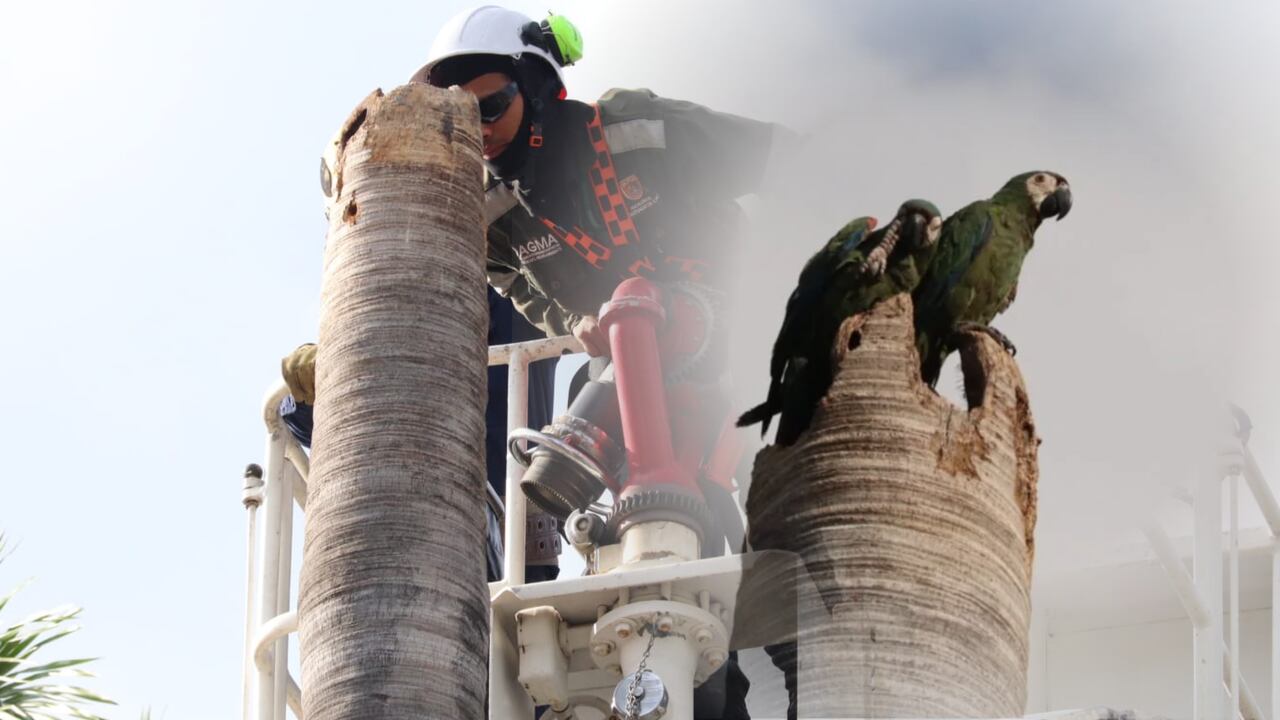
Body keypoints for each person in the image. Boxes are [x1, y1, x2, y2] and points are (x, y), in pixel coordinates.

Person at [414, 7, 792, 719]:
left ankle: (816, 668)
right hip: (633, 376)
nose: (482, 127)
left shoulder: (632, 132)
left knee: (785, 527)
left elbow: (781, 160)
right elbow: (530, 296)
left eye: (492, 104)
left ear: (535, 85)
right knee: (663, 543)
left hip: (747, 346)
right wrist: (577, 323)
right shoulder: (494, 218)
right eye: (461, 116)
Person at [278, 289, 560, 584]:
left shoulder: (519, 302)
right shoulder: (400, 330)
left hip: (515, 541)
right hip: (413, 536)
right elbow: (312, 424)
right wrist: (312, 382)